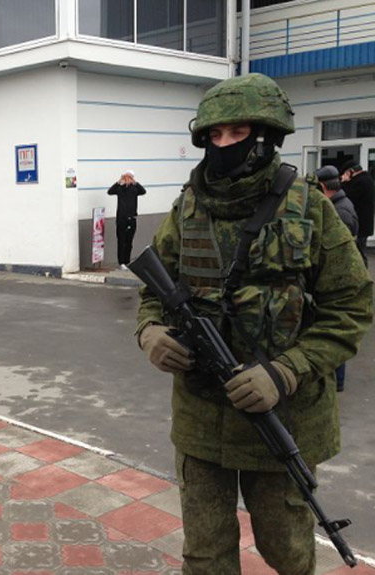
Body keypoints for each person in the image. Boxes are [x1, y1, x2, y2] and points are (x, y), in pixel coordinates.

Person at [135, 74, 373, 575]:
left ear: (265, 137)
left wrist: (286, 370)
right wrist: (150, 332)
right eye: (214, 135)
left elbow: (351, 306)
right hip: (201, 417)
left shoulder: (310, 207)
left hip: (282, 417)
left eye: (237, 133)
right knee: (205, 555)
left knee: (285, 550)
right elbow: (153, 290)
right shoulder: (188, 207)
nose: (223, 145)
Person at [315, 164, 359, 392]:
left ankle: (337, 382)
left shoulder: (339, 212)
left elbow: (339, 253)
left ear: (324, 187)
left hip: (339, 280)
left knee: (334, 329)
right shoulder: (340, 205)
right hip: (339, 278)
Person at [107, 169, 146, 269]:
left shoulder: (135, 189)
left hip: (132, 218)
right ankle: (121, 262)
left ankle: (127, 261)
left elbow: (143, 191)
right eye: (126, 177)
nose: (127, 179)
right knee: (121, 240)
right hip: (121, 219)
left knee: (129, 241)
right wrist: (119, 181)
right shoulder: (120, 188)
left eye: (129, 177)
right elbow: (110, 191)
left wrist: (135, 182)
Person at [340, 159, 374, 267]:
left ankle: (362, 274)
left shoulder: (360, 182)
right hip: (364, 225)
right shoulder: (367, 179)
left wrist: (343, 183)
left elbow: (347, 197)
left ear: (350, 172)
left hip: (360, 226)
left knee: (358, 254)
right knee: (360, 252)